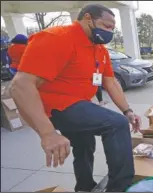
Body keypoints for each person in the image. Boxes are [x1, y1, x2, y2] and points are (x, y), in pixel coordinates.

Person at [10, 4, 141, 192]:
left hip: (78, 104)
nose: (109, 32)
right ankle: (119, 188)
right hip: (54, 106)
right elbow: (20, 85)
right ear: (88, 18)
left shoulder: (100, 50)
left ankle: (84, 186)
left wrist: (127, 111)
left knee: (85, 143)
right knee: (116, 124)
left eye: (112, 28)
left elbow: (111, 82)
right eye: (106, 25)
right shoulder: (57, 38)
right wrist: (47, 133)